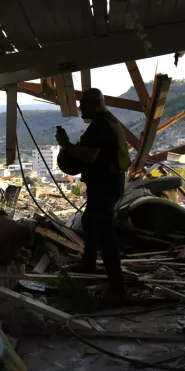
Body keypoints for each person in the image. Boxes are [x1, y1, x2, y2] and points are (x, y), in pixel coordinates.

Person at [56, 89, 131, 299]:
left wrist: (66, 145)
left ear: (97, 103)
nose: (80, 108)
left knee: (105, 233)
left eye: (84, 104)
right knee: (89, 222)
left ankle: (117, 286)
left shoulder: (101, 126)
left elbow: (89, 156)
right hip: (105, 183)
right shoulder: (106, 122)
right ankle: (88, 264)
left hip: (105, 185)